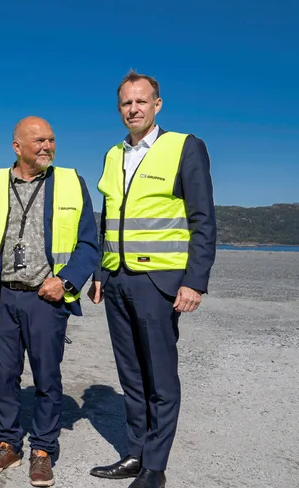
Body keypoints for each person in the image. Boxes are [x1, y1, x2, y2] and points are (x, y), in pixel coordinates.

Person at [88, 71, 217, 488]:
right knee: (130, 374)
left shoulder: (184, 147)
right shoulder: (113, 155)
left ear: (157, 105)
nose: (133, 109)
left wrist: (194, 281)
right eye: (126, 103)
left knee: (160, 375)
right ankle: (135, 453)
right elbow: (108, 217)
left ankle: (155, 467)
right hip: (117, 280)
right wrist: (99, 273)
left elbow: (203, 220)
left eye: (141, 101)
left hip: (159, 281)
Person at [0, 116, 99, 487]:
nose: (47, 146)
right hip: (3, 296)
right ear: (17, 147)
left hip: (46, 299)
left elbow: (89, 243)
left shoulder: (71, 183)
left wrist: (67, 280)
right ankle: (8, 444)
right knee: (5, 377)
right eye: (39, 140)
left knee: (46, 376)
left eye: (51, 140)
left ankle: (42, 450)